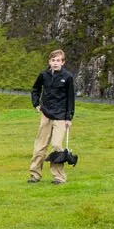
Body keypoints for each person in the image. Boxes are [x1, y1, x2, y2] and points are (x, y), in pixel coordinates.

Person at [29, 49, 75, 185]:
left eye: (58, 60)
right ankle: (35, 175)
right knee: (40, 146)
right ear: (49, 62)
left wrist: (69, 117)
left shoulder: (68, 77)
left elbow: (71, 98)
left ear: (63, 62)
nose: (55, 63)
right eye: (53, 60)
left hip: (61, 116)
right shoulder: (43, 75)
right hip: (46, 114)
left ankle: (59, 177)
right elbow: (35, 89)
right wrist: (36, 104)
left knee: (56, 145)